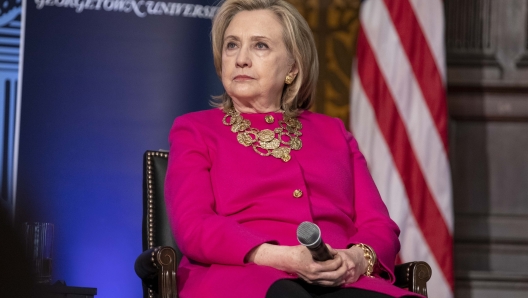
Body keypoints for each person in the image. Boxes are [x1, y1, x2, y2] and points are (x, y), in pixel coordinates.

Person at [165, 0, 422, 297]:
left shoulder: (333, 133)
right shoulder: (195, 130)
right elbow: (193, 226)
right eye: (232, 45)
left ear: (292, 67)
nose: (241, 59)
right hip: (242, 279)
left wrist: (354, 259)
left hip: (341, 282)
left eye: (260, 46)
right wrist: (284, 258)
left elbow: (378, 225)